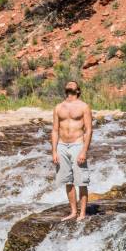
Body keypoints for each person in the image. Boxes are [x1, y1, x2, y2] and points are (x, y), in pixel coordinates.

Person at [52, 80, 93, 221]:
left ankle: (82, 213)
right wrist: (54, 151)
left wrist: (84, 151)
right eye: (68, 83)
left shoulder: (84, 107)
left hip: (77, 145)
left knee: (81, 181)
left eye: (73, 83)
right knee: (67, 181)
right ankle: (73, 212)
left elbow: (88, 130)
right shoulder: (58, 107)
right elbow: (55, 130)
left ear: (78, 90)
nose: (69, 84)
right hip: (62, 146)